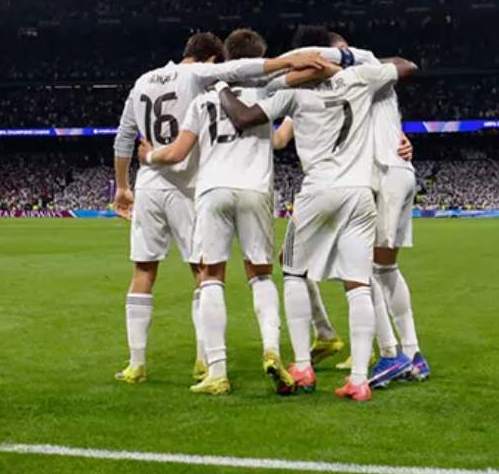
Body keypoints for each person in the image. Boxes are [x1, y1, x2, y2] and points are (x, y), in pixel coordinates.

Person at [111, 34, 339, 387]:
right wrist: (323, 63)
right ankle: (228, 356)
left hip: (166, 185)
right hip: (209, 188)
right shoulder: (243, 86)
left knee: (163, 271)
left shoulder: (161, 86)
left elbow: (130, 138)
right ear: (213, 61)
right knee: (238, 275)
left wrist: (127, 181)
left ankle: (150, 365)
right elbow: (276, 102)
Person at [217, 54, 417, 402]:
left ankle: (303, 366)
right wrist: (344, 62)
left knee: (293, 271)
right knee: (359, 283)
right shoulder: (359, 80)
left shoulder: (294, 93)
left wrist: (219, 85)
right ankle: (359, 381)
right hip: (359, 194)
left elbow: (244, 117)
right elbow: (407, 66)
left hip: (317, 193)